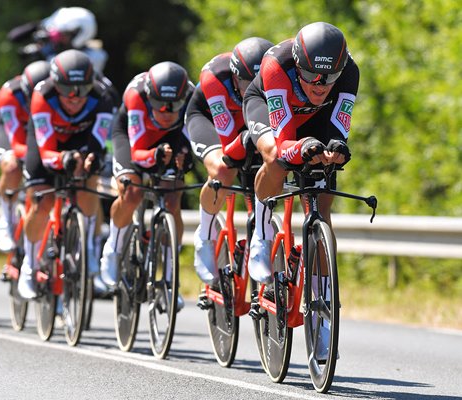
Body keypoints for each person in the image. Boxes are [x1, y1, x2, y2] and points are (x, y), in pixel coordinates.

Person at [243, 22, 358, 358]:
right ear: (298, 64)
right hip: (270, 110)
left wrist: (336, 149)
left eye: (328, 78)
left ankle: (323, 312)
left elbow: (339, 126)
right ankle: (262, 234)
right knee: (275, 159)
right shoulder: (277, 64)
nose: (320, 85)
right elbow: (283, 143)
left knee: (324, 195)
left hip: (314, 119)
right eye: (310, 76)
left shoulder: (349, 71)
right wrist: (304, 146)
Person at [18, 49, 115, 299]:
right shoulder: (42, 96)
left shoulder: (103, 96)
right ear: (55, 84)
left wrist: (90, 156)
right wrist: (62, 159)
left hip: (81, 140)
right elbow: (47, 149)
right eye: (67, 91)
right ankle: (29, 264)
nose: (74, 98)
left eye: (82, 90)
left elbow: (98, 139)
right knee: (42, 201)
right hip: (48, 145)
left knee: (89, 179)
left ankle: (88, 249)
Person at [99, 61, 194, 309]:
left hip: (170, 140)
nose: (165, 111)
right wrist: (155, 156)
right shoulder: (135, 95)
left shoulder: (193, 97)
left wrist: (185, 158)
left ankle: (171, 280)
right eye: (159, 104)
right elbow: (138, 151)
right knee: (132, 192)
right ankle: (113, 248)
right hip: (132, 138)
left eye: (174, 106)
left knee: (173, 199)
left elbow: (192, 142)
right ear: (149, 96)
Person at [186, 37, 273, 285]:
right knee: (224, 171)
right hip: (209, 119)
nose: (254, 87)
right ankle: (204, 235)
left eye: (261, 82)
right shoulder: (215, 77)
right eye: (248, 83)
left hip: (248, 120)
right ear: (235, 77)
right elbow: (229, 150)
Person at [0, 60, 50, 253]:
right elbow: (16, 142)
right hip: (14, 132)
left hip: (41, 133)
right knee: (11, 166)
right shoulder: (9, 94)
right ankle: (7, 219)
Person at [8, 6, 108, 74]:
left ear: (79, 34)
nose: (58, 39)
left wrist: (41, 57)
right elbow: (13, 36)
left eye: (63, 34)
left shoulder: (95, 56)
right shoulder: (54, 49)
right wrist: (37, 26)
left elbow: (67, 69)